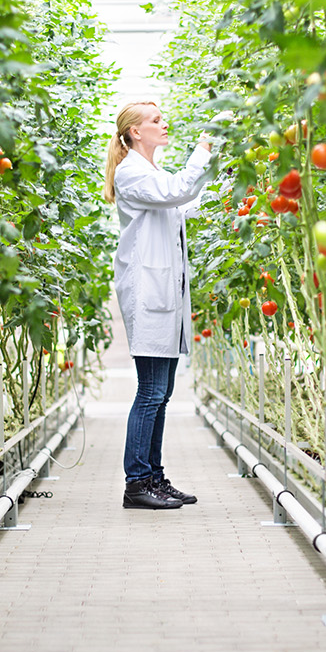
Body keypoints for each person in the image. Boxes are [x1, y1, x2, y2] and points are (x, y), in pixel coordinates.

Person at [104, 101, 217, 510]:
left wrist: (217, 175)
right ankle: (137, 483)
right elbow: (178, 191)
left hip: (164, 294)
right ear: (135, 132)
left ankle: (154, 476)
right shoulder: (131, 171)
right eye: (155, 120)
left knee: (162, 390)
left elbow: (182, 202)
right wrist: (203, 148)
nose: (163, 124)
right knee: (151, 391)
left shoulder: (151, 172)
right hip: (149, 295)